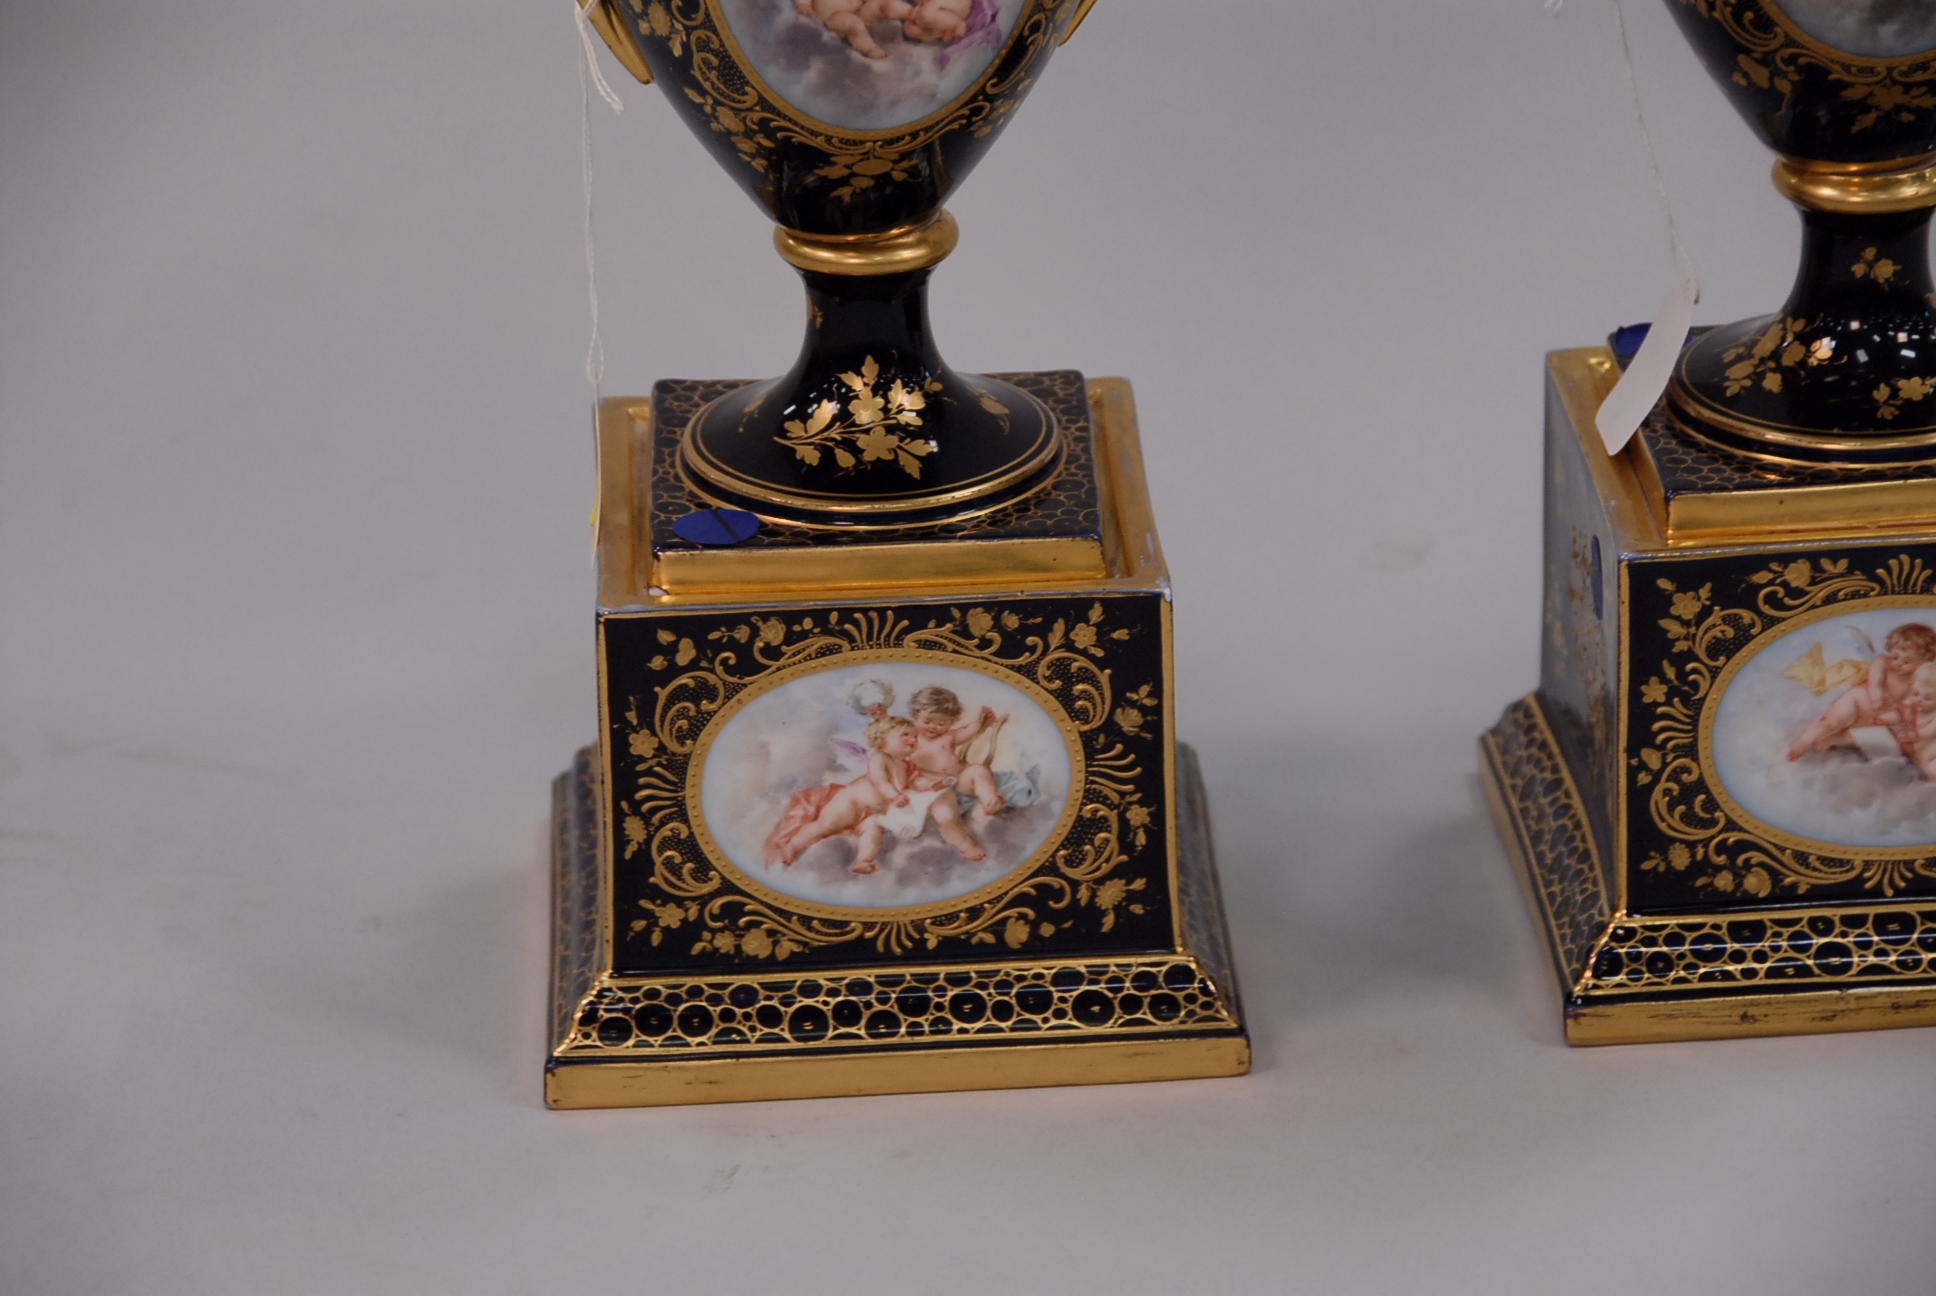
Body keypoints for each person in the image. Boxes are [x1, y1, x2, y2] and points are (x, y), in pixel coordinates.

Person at [764, 713, 922, 874]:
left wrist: (930, 785)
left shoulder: (907, 766)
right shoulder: (881, 758)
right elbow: (880, 781)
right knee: (825, 825)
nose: (913, 740)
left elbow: (913, 785)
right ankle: (792, 846)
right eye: (905, 735)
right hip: (851, 802)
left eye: (915, 736)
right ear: (883, 738)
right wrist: (893, 796)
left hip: (872, 812)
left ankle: (863, 860)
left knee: (874, 831)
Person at [1787, 622, 1936, 760]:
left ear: (1925, 662)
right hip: (1859, 701)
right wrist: (1876, 695)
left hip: (1878, 715)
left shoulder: (1920, 680)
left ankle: (1831, 740)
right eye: (1895, 656)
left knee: (1879, 737)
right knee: (1832, 722)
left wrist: (1897, 718)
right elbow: (1875, 680)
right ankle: (1803, 742)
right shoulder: (1883, 661)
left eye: (1907, 661)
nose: (1898, 663)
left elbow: (1909, 705)